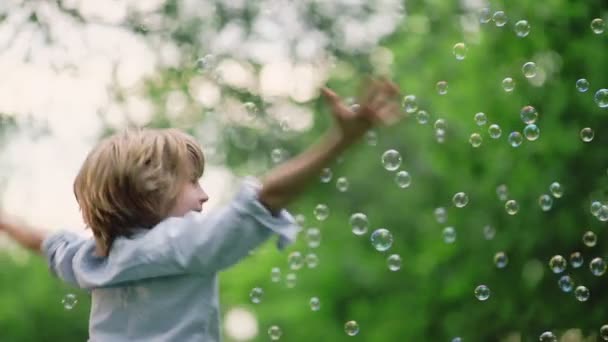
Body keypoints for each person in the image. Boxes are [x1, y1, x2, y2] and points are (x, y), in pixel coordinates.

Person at [0, 78, 401, 341]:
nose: (205, 196)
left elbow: (43, 241)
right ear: (149, 193)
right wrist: (340, 142)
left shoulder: (90, 259)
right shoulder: (180, 244)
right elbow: (264, 198)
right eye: (192, 182)